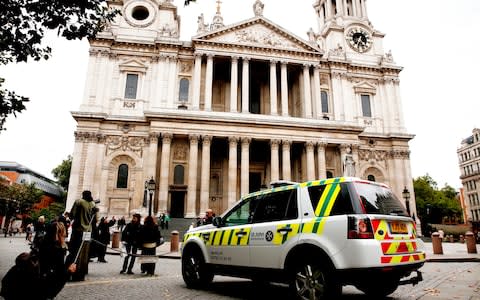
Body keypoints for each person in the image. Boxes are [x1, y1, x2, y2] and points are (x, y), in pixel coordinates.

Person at [37, 221, 77, 299]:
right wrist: (69, 271)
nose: (65, 236)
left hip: (36, 284)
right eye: (63, 234)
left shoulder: (43, 243)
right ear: (58, 234)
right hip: (45, 288)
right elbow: (59, 277)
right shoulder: (56, 250)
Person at [65, 190, 97, 281]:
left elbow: (72, 215)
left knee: (74, 251)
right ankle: (81, 274)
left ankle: (70, 272)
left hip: (79, 230)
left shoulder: (79, 202)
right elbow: (96, 219)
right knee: (84, 253)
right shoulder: (93, 204)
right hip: (88, 231)